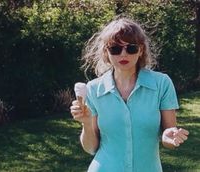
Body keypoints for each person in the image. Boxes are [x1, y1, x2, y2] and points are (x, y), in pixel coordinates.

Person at [70, 17, 189, 172]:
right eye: (115, 49)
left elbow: (168, 134)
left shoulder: (161, 84)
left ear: (141, 50)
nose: (123, 54)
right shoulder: (93, 89)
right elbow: (91, 148)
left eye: (131, 48)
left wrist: (169, 137)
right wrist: (86, 123)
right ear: (106, 52)